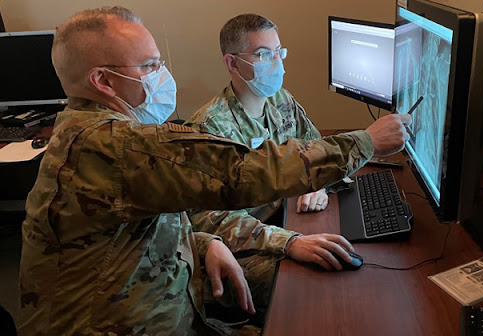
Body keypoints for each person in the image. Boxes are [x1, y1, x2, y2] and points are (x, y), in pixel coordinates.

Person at [17, 6, 411, 336]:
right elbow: (242, 172)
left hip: (163, 305)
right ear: (102, 80)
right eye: (150, 65)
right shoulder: (112, 145)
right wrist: (365, 141)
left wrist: (202, 243)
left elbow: (135, 231)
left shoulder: (89, 132)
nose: (162, 75)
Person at [185, 15, 355, 312]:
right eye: (264, 54)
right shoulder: (210, 129)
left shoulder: (281, 100)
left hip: (284, 219)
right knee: (309, 289)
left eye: (279, 52)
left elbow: (318, 151)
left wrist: (321, 186)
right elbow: (207, 220)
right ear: (232, 64)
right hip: (238, 247)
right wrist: (288, 242)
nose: (276, 62)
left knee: (344, 256)